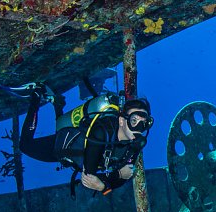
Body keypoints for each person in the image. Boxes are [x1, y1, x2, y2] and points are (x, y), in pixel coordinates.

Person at [9, 82, 153, 195]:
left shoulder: (135, 143)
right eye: (134, 121)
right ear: (122, 121)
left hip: (76, 148)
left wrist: (109, 182)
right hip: (64, 145)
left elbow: (124, 177)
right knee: (25, 146)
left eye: (144, 123)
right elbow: (89, 177)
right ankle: (35, 96)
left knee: (60, 126)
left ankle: (57, 104)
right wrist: (111, 181)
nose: (139, 129)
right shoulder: (101, 132)